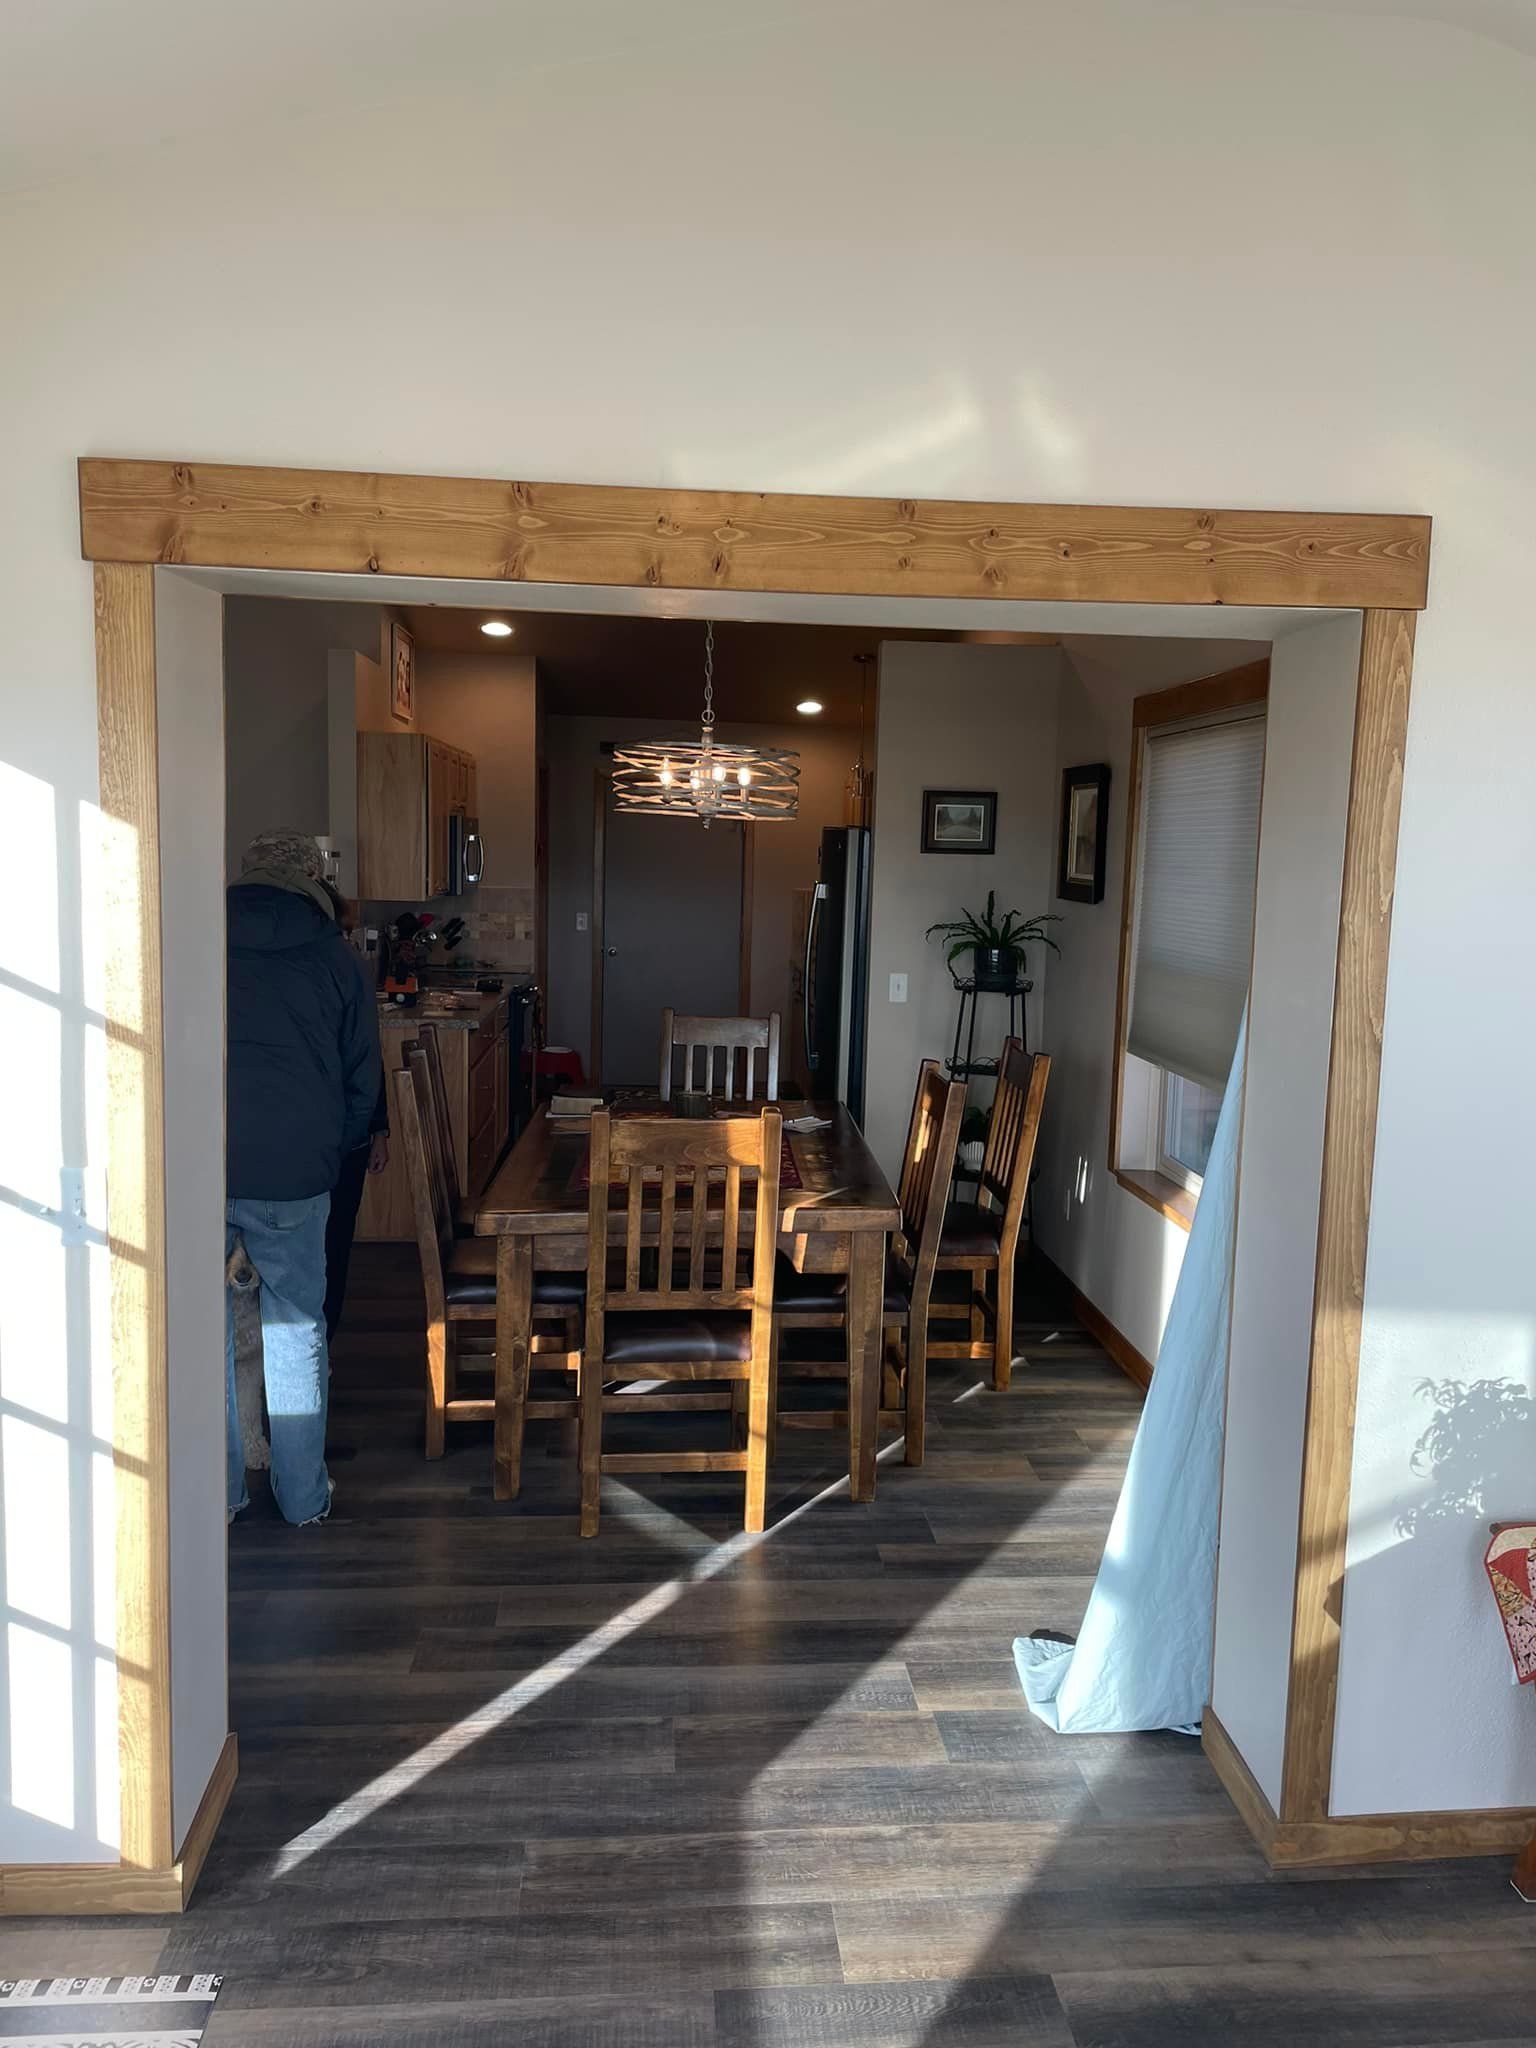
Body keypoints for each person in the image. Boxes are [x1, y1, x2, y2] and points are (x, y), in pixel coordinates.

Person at [226, 831, 380, 1524]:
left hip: (199, 1163)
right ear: (313, 880)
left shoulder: (192, 940)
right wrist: (331, 1151)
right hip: (295, 1170)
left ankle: (219, 1495)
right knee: (294, 1329)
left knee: (201, 1335)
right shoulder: (337, 960)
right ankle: (301, 1499)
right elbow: (362, 1082)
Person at [321, 886, 389, 1342]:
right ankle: (321, 1346)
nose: (348, 941)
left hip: (334, 1132)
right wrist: (369, 1129)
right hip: (340, 1134)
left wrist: (376, 1128)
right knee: (333, 1245)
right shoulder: (346, 969)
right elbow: (365, 1056)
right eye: (343, 931)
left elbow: (365, 1055)